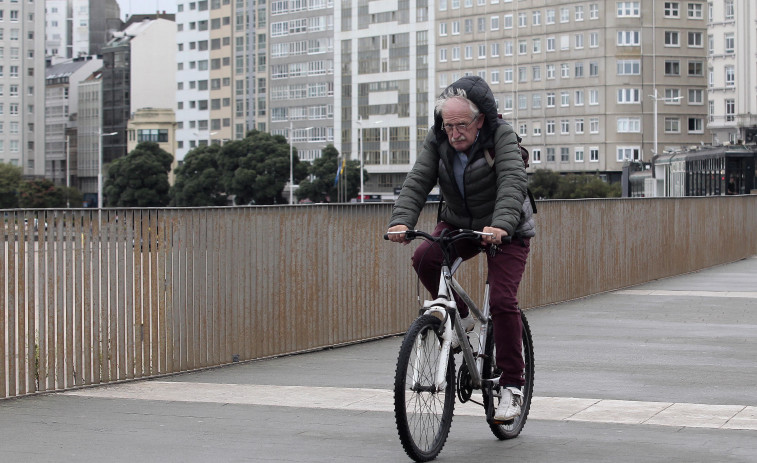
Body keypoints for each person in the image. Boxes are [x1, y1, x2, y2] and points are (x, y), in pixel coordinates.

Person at [386, 76, 535, 422]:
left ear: (480, 120)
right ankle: (463, 321)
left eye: (461, 125)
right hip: (460, 223)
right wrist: (401, 220)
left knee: (501, 302)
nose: (454, 133)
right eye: (448, 125)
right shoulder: (438, 139)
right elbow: (419, 179)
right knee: (425, 256)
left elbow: (513, 183)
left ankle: (512, 386)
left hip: (507, 228)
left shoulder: (501, 137)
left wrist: (500, 225)